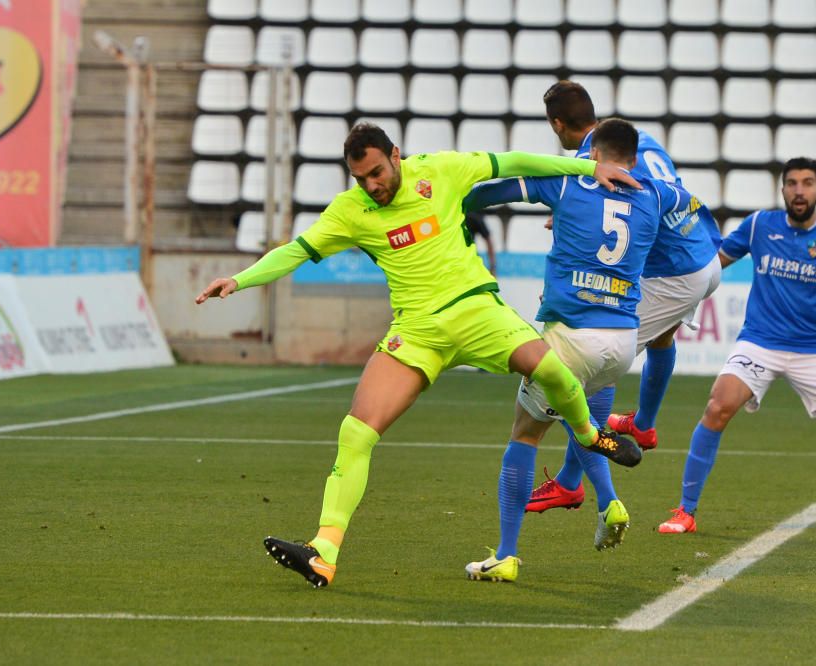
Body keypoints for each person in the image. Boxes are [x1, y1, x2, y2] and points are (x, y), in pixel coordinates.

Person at [195, 123, 644, 588]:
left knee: (550, 367)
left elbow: (512, 162)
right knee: (356, 432)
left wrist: (590, 166)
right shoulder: (352, 211)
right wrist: (241, 279)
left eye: (376, 172)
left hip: (475, 310)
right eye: (360, 179)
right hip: (416, 331)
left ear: (396, 154)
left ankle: (590, 435)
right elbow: (296, 250)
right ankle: (323, 551)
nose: (371, 185)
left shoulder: (441, 171)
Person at [460, 118, 704, 582]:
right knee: (582, 418)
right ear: (632, 157)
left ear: (593, 154)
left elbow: (493, 194)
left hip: (571, 336)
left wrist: (456, 204)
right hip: (622, 343)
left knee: (524, 435)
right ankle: (606, 499)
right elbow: (689, 203)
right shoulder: (654, 193)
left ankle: (506, 555)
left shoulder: (569, 184)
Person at [658, 157, 816, 537]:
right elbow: (711, 266)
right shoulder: (759, 225)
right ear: (782, 190)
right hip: (759, 341)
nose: (799, 191)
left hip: (813, 350)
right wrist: (672, 294)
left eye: (807, 183)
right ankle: (685, 511)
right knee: (717, 406)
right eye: (792, 183)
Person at [521, 81, 722, 519]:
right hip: (701, 255)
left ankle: (571, 485)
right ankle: (644, 426)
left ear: (557, 125)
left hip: (672, 271)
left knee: (600, 352)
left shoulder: (587, 160)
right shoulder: (636, 140)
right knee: (659, 340)